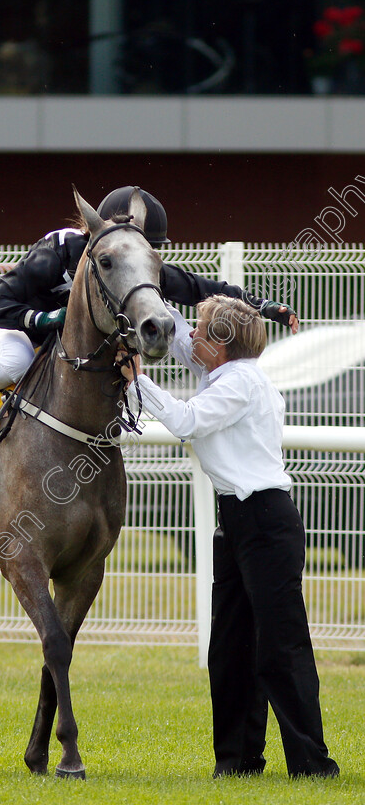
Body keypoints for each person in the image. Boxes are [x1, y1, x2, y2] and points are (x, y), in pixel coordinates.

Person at [115, 295, 339, 779]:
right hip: (239, 523)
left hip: (265, 523)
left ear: (220, 343)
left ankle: (312, 764)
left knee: (281, 648)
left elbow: (186, 423)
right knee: (231, 648)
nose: (190, 336)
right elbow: (174, 334)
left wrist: (139, 379)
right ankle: (237, 763)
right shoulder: (220, 373)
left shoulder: (239, 383)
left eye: (200, 330)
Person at [0, 186, 298, 467]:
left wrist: (263, 305)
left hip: (53, 346)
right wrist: (48, 320)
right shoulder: (59, 249)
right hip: (1, 331)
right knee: (17, 357)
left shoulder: (129, 266)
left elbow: (200, 288)